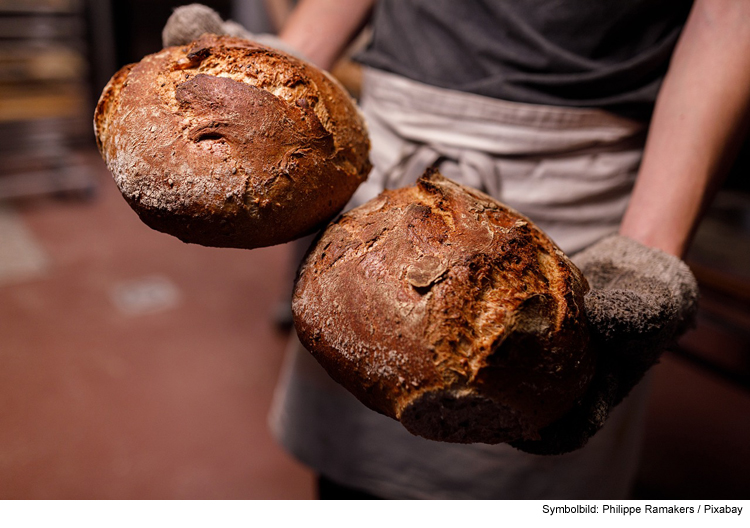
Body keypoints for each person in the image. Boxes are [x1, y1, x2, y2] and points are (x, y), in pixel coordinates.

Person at [164, 0, 750, 499]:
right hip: (384, 174)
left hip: (574, 183)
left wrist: (648, 245)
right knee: (355, 482)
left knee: (524, 473)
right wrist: (288, 60)